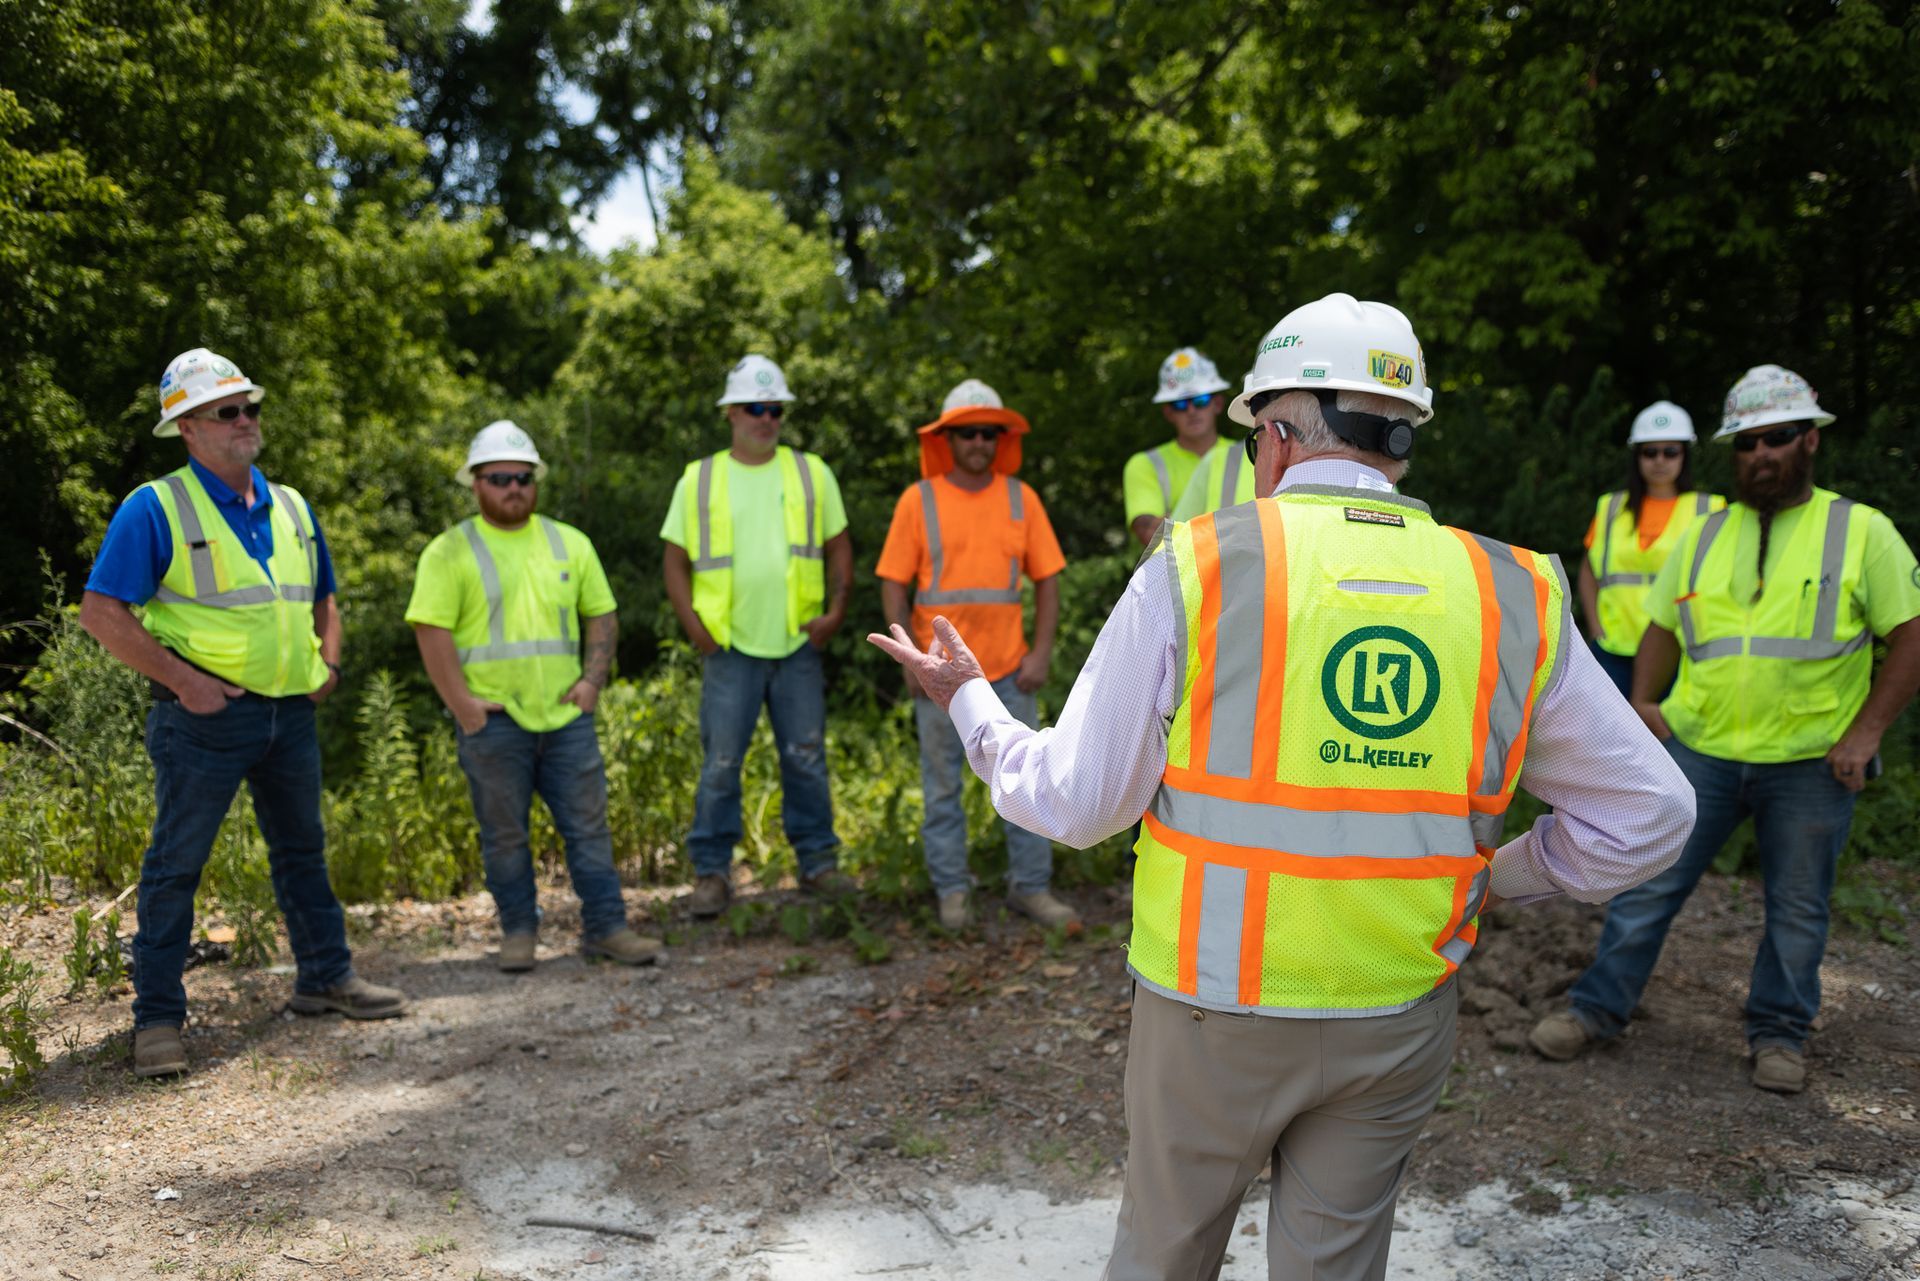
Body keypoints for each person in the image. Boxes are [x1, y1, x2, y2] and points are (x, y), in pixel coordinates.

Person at [870, 294, 1693, 1281]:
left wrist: (971, 704)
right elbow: (1651, 814)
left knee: (1165, 1258)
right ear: (1401, 434)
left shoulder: (1200, 567)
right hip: (1399, 1010)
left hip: (1212, 1010)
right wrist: (1495, 876)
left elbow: (1077, 804)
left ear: (1274, 435)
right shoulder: (1509, 590)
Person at [1530, 364, 1920, 1095]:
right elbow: (1661, 625)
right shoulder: (1707, 532)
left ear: (1809, 440)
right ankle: (1596, 1008)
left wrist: (1866, 735)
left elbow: (1912, 634)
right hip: (1701, 749)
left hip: (1808, 761)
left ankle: (1779, 1031)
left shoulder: (1860, 531)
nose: (1759, 454)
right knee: (1646, 884)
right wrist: (1644, 704)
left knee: (1798, 908)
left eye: (1775, 438)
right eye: (1745, 442)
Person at [78, 349, 406, 1079]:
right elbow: (100, 612)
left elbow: (323, 597)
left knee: (302, 852)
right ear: (188, 428)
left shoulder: (290, 504)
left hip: (289, 715)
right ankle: (158, 1020)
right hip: (202, 719)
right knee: (176, 865)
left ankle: (325, 977)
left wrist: (328, 665)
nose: (246, 419)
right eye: (227, 411)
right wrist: (186, 682)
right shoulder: (155, 507)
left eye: (250, 405)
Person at [406, 422, 663, 972]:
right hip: (493, 722)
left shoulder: (569, 542)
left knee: (590, 829)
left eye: (523, 477)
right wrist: (464, 707)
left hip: (566, 717)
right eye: (500, 477)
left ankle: (608, 929)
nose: (514, 487)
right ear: (476, 483)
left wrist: (592, 681)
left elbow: (602, 613)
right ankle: (519, 933)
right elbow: (431, 632)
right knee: (504, 836)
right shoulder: (450, 551)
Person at [876, 379, 1076, 930]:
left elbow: (1048, 581)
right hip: (939, 679)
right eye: (967, 433)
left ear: (1000, 439)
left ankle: (1031, 890)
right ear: (947, 440)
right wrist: (913, 659)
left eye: (989, 433)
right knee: (942, 791)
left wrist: (1040, 654)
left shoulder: (1021, 498)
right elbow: (893, 581)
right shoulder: (919, 500)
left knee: (1029, 783)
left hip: (1009, 673)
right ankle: (952, 894)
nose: (979, 443)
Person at [660, 354, 856, 917]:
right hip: (728, 647)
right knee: (721, 761)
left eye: (775, 409)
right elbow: (674, 561)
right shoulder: (700, 478)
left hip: (797, 644)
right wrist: (695, 627)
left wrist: (836, 611)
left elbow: (839, 545)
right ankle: (712, 874)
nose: (766, 419)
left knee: (806, 758)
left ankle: (818, 864)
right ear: (730, 413)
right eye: (755, 408)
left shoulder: (810, 471)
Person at [1579, 402, 1724, 695]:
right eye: (1650, 452)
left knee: (1667, 740)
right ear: (1637, 457)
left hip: (1677, 649)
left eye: (1671, 452)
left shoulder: (1710, 510)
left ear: (1685, 455)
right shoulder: (1611, 508)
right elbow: (1589, 570)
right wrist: (1595, 628)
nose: (1660, 460)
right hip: (1613, 649)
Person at [1122, 348, 1235, 548]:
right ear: (1168, 412)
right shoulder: (1144, 465)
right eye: (1181, 404)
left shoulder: (1247, 454)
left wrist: (1175, 523)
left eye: (1201, 400)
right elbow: (1152, 537)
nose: (1191, 411)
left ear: (1217, 403)